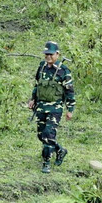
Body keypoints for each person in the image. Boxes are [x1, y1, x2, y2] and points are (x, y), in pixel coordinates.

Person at [29, 41, 75, 173]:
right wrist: (33, 99)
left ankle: (46, 163)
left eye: (51, 54)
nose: (48, 57)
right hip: (41, 106)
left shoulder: (63, 71)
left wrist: (70, 109)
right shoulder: (42, 67)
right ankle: (60, 150)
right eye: (46, 54)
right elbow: (37, 85)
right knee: (41, 135)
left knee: (48, 134)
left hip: (55, 108)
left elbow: (69, 91)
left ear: (57, 54)